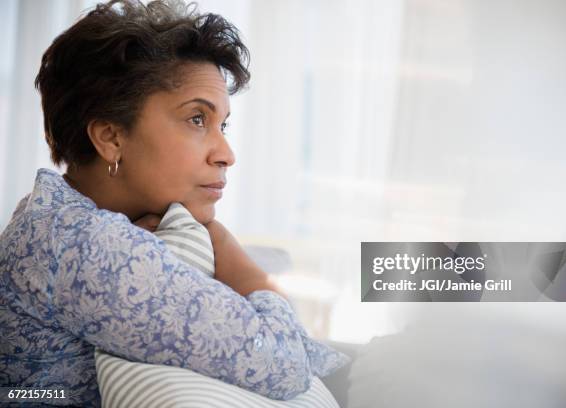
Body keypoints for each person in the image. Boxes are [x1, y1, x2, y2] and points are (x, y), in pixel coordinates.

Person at [0, 1, 349, 406]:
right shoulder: (85, 246)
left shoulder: (56, 217)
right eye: (197, 119)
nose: (226, 153)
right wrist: (222, 243)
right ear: (111, 137)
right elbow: (285, 362)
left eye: (223, 124)